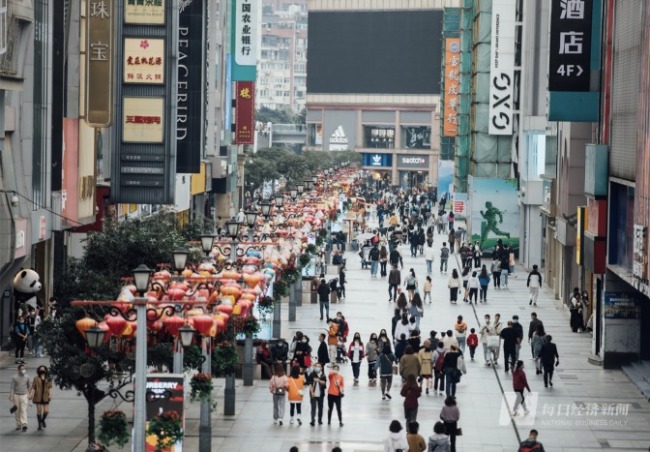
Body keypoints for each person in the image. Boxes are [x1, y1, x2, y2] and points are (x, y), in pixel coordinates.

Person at [10, 364, 31, 431]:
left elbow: (29, 386)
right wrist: (11, 396)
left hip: (24, 395)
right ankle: (18, 424)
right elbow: (12, 387)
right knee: (17, 411)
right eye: (21, 369)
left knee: (23, 410)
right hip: (16, 395)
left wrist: (30, 394)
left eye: (24, 369)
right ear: (18, 369)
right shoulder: (14, 377)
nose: (23, 370)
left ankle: (24, 424)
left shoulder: (27, 377)